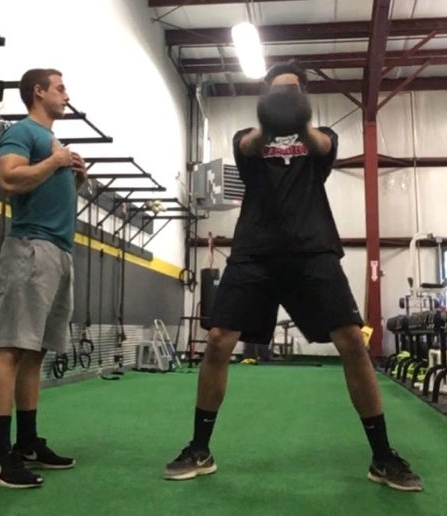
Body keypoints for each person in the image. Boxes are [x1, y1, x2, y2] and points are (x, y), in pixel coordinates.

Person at [163, 61, 422, 492]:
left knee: (352, 341)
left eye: (292, 92)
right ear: (265, 99)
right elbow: (249, 145)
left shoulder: (322, 138)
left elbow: (321, 143)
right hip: (254, 253)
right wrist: (271, 120)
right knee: (218, 340)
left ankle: (382, 456)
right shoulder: (248, 137)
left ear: (304, 97)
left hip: (312, 250)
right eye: (276, 93)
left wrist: (298, 121)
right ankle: (199, 449)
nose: (284, 99)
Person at [0, 68, 87, 489]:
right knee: (11, 348)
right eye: (60, 88)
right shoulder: (23, 132)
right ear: (38, 92)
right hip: (30, 249)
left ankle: (26, 443)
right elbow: (8, 178)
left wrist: (74, 176)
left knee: (35, 352)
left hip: (59, 252)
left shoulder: (52, 142)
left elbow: (43, 188)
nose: (66, 94)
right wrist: (57, 161)